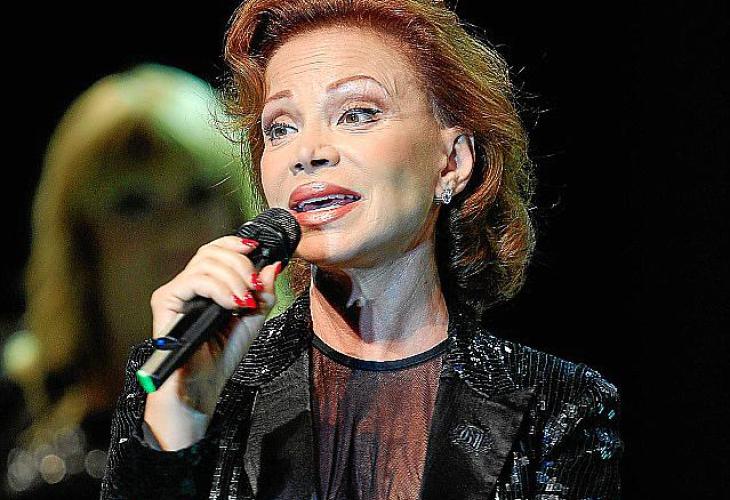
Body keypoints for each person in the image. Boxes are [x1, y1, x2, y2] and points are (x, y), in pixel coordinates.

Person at [102, 1, 624, 499]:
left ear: (452, 162)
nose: (307, 152)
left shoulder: (558, 407)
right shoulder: (186, 381)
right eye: (280, 128)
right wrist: (181, 419)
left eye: (357, 114)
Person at [2, 64, 292, 498]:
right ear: (80, 239)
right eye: (135, 204)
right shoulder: (18, 396)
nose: (175, 230)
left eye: (198, 195)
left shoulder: (301, 392)